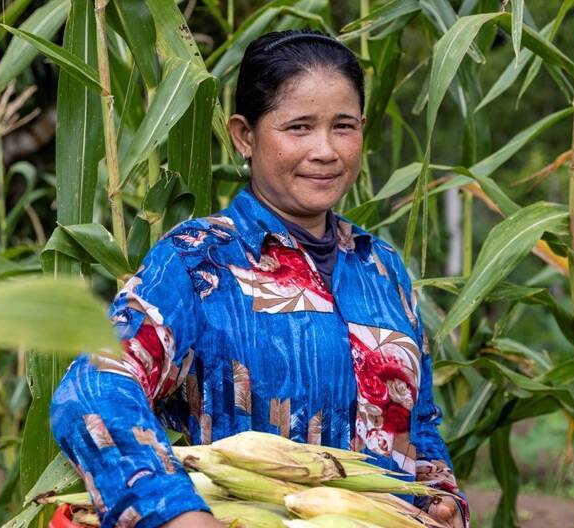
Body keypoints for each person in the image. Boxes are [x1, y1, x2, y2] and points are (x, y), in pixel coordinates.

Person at [50, 28, 468, 528]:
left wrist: (438, 498)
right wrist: (174, 513)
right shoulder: (200, 261)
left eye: (343, 126)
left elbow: (418, 425)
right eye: (298, 127)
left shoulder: (380, 267)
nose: (326, 150)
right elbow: (92, 388)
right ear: (244, 136)